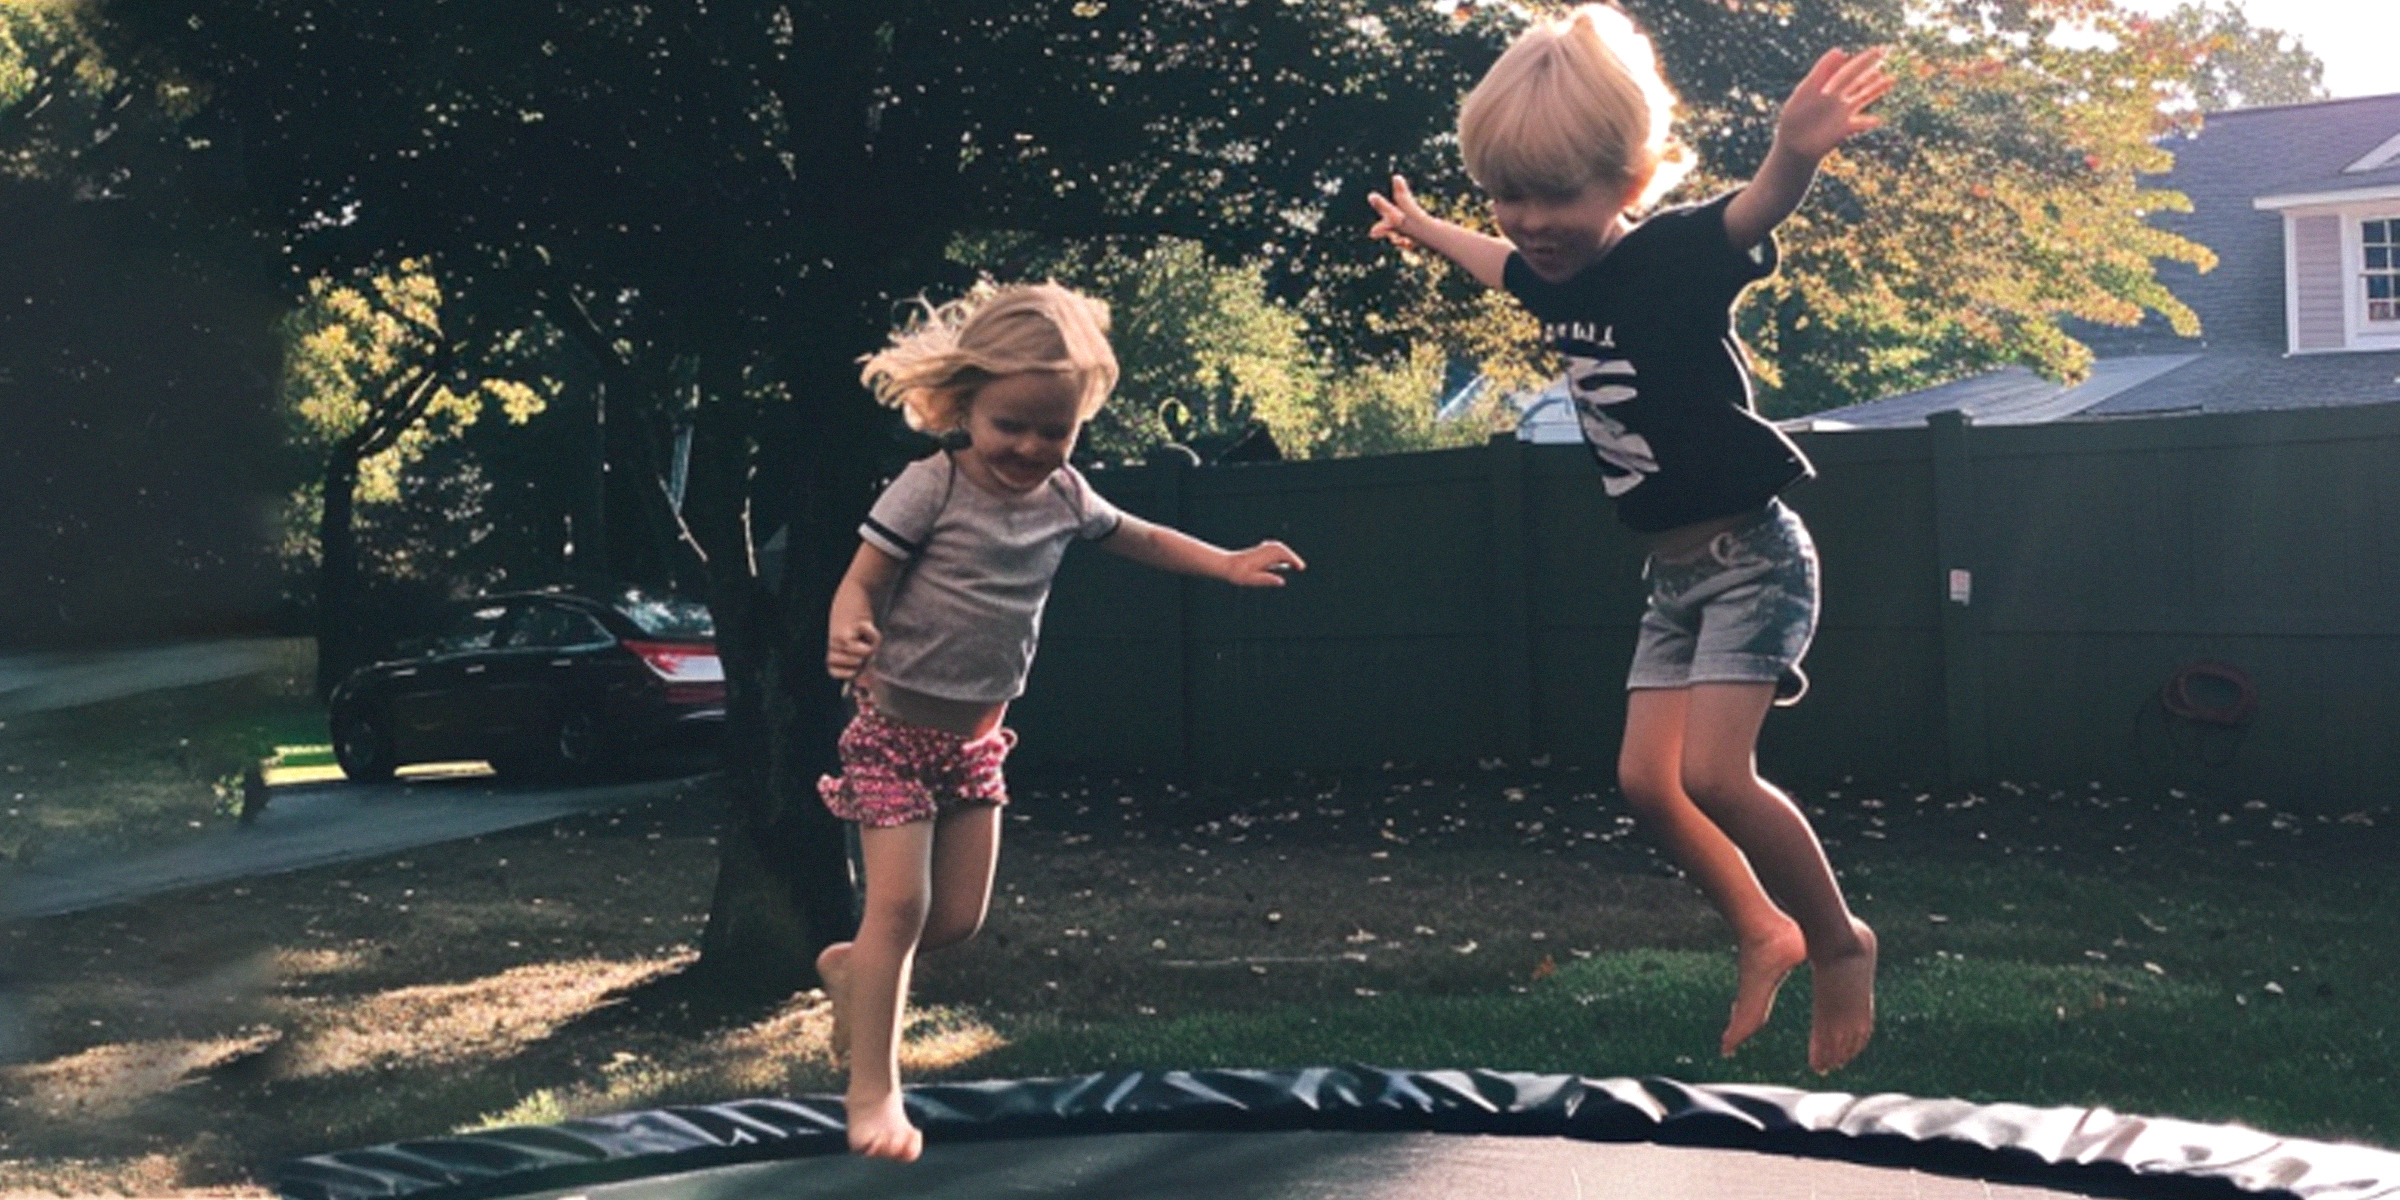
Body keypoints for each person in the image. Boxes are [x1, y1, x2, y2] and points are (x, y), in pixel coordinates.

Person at [1367, 5, 1891, 1074]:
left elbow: (1755, 209)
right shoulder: (1551, 277)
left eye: (1559, 194)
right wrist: (1428, 230)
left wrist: (1794, 150)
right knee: (1647, 783)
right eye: (1509, 195)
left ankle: (1840, 941)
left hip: (1752, 554)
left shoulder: (1674, 257)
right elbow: (1495, 266)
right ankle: (1764, 928)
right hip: (1672, 577)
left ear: (1632, 177)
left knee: (1714, 775)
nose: (1531, 221)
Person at [814, 281, 1306, 1160]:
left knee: (954, 922)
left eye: (1057, 430)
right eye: (1013, 425)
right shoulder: (930, 489)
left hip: (973, 747)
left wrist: (1225, 563)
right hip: (891, 733)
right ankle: (875, 1093)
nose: (1032, 447)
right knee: (900, 905)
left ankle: (852, 972)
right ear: (965, 407)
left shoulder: (1066, 495)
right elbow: (863, 579)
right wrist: (849, 628)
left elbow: (1146, 537)